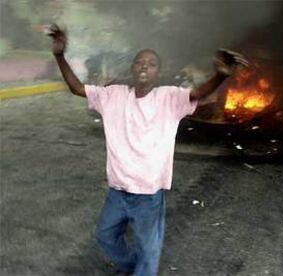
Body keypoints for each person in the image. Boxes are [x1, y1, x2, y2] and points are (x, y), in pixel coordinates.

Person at [47, 24, 248, 276]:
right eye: (140, 62)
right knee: (105, 235)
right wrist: (59, 55)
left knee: (148, 250)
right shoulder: (113, 95)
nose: (144, 65)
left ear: (158, 73)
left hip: (148, 195)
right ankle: (132, 267)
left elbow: (198, 92)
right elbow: (77, 88)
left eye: (151, 63)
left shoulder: (170, 98)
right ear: (132, 68)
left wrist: (220, 75)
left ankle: (142, 271)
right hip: (117, 191)